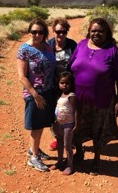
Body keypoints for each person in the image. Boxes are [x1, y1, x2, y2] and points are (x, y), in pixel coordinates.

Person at [68, 17, 118, 176]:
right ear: (89, 31)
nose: (96, 33)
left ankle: (96, 159)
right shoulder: (81, 45)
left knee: (98, 130)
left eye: (100, 31)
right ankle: (79, 152)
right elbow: (70, 67)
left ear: (107, 33)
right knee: (77, 127)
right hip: (78, 99)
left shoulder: (113, 51)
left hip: (101, 100)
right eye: (93, 30)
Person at [16, 18, 56, 172]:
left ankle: (34, 149)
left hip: (48, 92)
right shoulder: (24, 49)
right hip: (34, 94)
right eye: (34, 32)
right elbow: (22, 76)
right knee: (36, 126)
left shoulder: (47, 47)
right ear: (29, 32)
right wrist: (35, 95)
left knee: (41, 124)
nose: (37, 35)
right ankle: (34, 158)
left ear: (45, 33)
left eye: (40, 32)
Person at [47, 17, 77, 151]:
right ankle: (56, 138)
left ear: (67, 32)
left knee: (69, 111)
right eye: (58, 31)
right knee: (55, 112)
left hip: (69, 85)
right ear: (53, 31)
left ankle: (69, 138)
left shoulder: (72, 45)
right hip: (53, 85)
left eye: (63, 32)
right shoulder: (48, 45)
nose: (60, 35)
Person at [50, 71, 79, 175]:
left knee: (67, 145)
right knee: (60, 143)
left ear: (71, 84)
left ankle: (70, 166)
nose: (64, 85)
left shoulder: (71, 95)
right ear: (58, 83)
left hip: (68, 125)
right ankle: (60, 161)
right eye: (62, 83)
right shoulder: (60, 95)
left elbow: (76, 110)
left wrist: (76, 124)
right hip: (59, 124)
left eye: (67, 83)